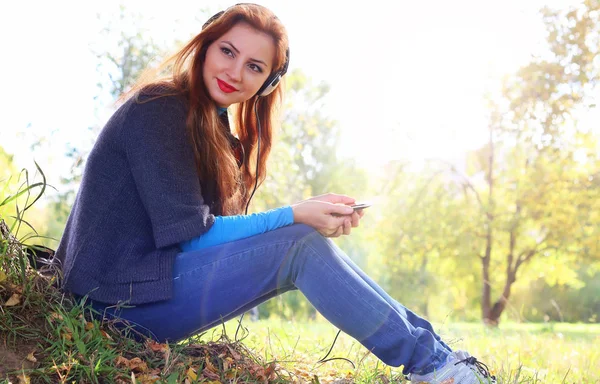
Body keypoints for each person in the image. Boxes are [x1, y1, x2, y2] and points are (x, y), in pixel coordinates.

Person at [54, 4, 496, 383]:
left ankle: (442, 358)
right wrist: (296, 216)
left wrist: (309, 215)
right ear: (206, 46)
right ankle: (436, 366)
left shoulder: (211, 127)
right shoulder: (160, 107)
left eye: (254, 66)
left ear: (267, 83)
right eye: (228, 51)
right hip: (109, 304)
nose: (234, 71)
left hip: (138, 295)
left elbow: (214, 235)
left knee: (301, 242)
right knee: (298, 246)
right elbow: (195, 237)